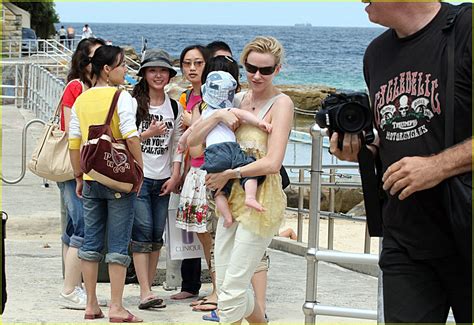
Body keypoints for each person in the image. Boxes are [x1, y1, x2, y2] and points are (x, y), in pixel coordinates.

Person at [331, 2, 472, 323]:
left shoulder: (466, 28)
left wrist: (438, 166)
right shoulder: (376, 54)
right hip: (406, 238)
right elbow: (393, 134)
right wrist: (364, 149)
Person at [188, 36, 294, 323]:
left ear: (278, 69)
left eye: (266, 70)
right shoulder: (233, 99)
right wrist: (216, 116)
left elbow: (272, 163)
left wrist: (230, 174)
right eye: (251, 68)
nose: (257, 76)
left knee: (233, 288)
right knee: (225, 285)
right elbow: (193, 142)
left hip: (260, 201)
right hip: (230, 201)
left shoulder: (282, 104)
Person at [68, 45, 144, 323]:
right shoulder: (121, 97)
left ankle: (91, 304)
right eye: (122, 65)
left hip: (91, 178)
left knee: (91, 241)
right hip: (119, 179)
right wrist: (139, 171)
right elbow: (131, 136)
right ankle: (116, 306)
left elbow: (73, 142)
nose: (126, 70)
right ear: (107, 70)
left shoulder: (82, 100)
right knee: (118, 242)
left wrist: (78, 176)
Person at [178, 71, 272, 227]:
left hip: (213, 154)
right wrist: (260, 123)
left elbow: (191, 131)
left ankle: (227, 217)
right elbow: (244, 115)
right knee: (249, 166)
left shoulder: (205, 114)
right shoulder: (228, 111)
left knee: (218, 192)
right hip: (232, 149)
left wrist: (181, 143)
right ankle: (250, 196)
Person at [130, 48, 183, 310]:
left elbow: (177, 145)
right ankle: (144, 291)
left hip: (163, 179)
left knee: (155, 236)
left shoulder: (174, 106)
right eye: (153, 70)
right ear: (143, 74)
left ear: (170, 75)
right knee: (141, 234)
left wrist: (175, 174)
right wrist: (148, 133)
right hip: (139, 178)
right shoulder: (132, 103)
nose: (158, 75)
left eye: (163, 70)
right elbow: (123, 140)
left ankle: (149, 291)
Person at [58, 37, 105, 310]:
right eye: (94, 57)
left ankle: (73, 286)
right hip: (73, 166)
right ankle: (68, 291)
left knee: (73, 228)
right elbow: (69, 128)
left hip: (83, 165)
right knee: (85, 228)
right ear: (83, 61)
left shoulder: (90, 87)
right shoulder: (76, 87)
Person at [170, 45, 210, 301]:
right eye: (187, 63)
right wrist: (179, 172)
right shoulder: (185, 97)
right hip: (189, 170)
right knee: (191, 229)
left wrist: (191, 122)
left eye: (198, 63)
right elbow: (180, 141)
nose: (192, 68)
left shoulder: (212, 95)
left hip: (208, 171)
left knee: (208, 232)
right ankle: (190, 285)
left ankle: (218, 289)